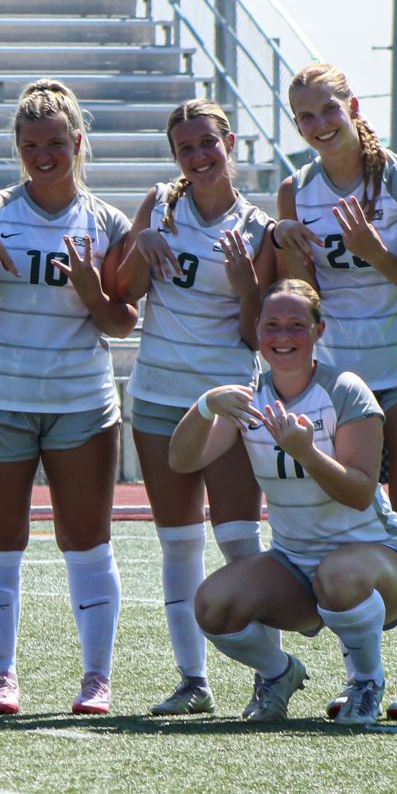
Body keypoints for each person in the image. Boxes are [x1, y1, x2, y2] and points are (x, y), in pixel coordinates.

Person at [0, 79, 136, 715]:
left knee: (87, 541)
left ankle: (96, 679)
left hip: (82, 400)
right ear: (16, 148)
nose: (43, 155)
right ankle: (3, 676)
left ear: (78, 143)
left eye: (55, 143)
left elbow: (120, 322)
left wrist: (89, 289)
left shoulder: (106, 219)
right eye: (30, 145)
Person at [273, 63, 397, 721]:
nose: (320, 126)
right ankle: (364, 678)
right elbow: (304, 298)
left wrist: (375, 251)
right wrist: (288, 248)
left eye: (328, 110)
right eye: (306, 117)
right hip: (343, 381)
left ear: (352, 106)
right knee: (348, 525)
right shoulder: (295, 189)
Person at [167, 279, 397, 725]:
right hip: (295, 564)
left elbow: (360, 492)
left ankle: (366, 681)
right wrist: (206, 405)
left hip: (380, 565)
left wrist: (306, 452)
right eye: (272, 325)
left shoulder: (345, 389)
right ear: (257, 331)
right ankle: (279, 673)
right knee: (211, 604)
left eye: (297, 326)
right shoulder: (248, 397)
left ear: (318, 331)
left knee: (338, 574)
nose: (283, 337)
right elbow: (183, 461)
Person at [117, 99, 274, 717]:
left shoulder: (258, 227)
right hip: (157, 393)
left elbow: (252, 333)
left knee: (239, 538)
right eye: (186, 148)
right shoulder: (159, 204)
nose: (199, 156)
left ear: (228, 141)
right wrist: (141, 240)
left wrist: (246, 288)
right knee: (178, 543)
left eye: (208, 143)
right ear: (174, 155)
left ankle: (269, 673)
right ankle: (193, 680)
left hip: (229, 397)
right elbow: (123, 295)